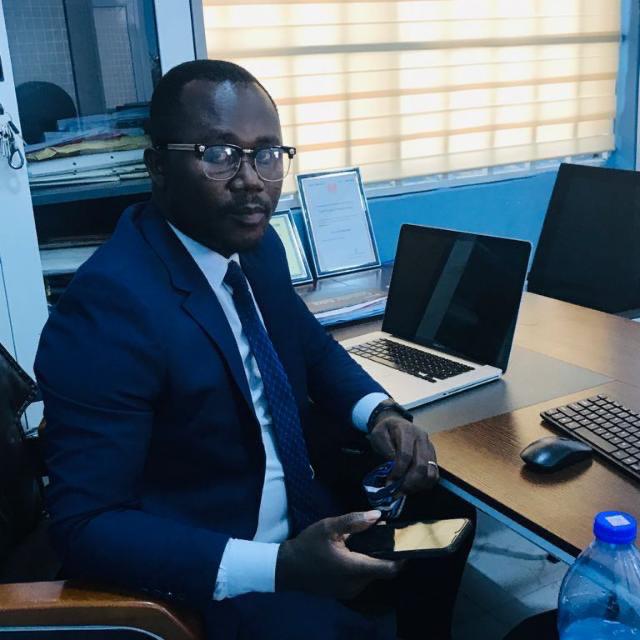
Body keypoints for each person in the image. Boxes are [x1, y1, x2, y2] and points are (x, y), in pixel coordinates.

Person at [35, 60, 474, 640]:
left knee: (448, 515)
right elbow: (87, 525)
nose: (251, 180)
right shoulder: (107, 309)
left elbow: (311, 346)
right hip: (219, 569)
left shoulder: (257, 248)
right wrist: (282, 567)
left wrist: (380, 414)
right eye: (218, 154)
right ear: (158, 166)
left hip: (304, 512)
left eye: (267, 153)